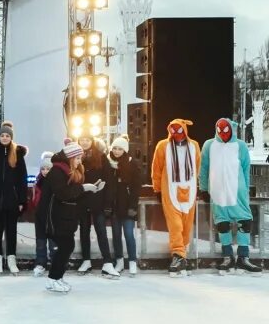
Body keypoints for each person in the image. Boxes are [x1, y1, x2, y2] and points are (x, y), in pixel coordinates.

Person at [200, 119, 262, 274]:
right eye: (220, 131)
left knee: (245, 221)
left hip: (237, 191)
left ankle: (243, 257)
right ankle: (227, 255)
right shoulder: (209, 145)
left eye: (225, 131)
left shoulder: (240, 146)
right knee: (222, 223)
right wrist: (204, 188)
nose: (223, 134)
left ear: (231, 130)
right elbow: (204, 168)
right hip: (218, 191)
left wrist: (246, 190)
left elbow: (246, 168)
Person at [43, 138, 103, 293]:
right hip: (55, 216)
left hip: (67, 216)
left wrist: (91, 189)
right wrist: (83, 188)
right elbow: (63, 193)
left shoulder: (69, 171)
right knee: (65, 246)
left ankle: (56, 277)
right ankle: (53, 278)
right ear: (70, 158)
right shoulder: (57, 171)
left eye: (80, 158)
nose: (79, 161)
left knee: (66, 246)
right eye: (77, 158)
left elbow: (74, 195)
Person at [151, 119, 202, 277]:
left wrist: (196, 184)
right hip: (170, 190)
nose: (176, 134)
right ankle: (178, 255)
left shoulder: (194, 146)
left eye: (179, 130)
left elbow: (197, 166)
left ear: (185, 130)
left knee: (187, 224)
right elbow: (157, 169)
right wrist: (158, 189)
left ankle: (182, 256)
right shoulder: (162, 146)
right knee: (175, 225)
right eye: (173, 131)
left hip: (189, 189)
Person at [0, 121, 28, 274]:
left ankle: (11, 258)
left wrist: (22, 200)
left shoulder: (18, 154)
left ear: (11, 137)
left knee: (11, 230)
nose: (5, 138)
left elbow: (23, 179)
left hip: (12, 199)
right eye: (2, 135)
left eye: (7, 135)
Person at [75, 135, 118, 278]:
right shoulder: (76, 157)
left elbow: (109, 181)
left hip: (98, 201)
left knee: (101, 231)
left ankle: (107, 262)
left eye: (87, 139)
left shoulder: (101, 157)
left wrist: (107, 203)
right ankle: (86, 260)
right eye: (82, 139)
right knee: (84, 231)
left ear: (91, 141)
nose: (84, 142)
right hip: (81, 200)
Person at [107, 135, 142, 276]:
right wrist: (107, 205)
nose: (116, 151)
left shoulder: (132, 163)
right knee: (116, 235)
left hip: (127, 206)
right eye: (114, 148)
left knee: (128, 234)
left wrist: (133, 206)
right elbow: (107, 186)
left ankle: (132, 261)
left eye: (120, 149)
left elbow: (136, 187)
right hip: (114, 206)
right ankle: (119, 261)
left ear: (125, 150)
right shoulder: (108, 162)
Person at [31, 151, 57, 276]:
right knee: (40, 242)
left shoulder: (56, 183)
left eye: (48, 169)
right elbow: (35, 199)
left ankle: (55, 262)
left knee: (53, 242)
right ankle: (40, 263)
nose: (45, 171)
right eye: (43, 169)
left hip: (52, 216)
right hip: (40, 215)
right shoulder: (38, 182)